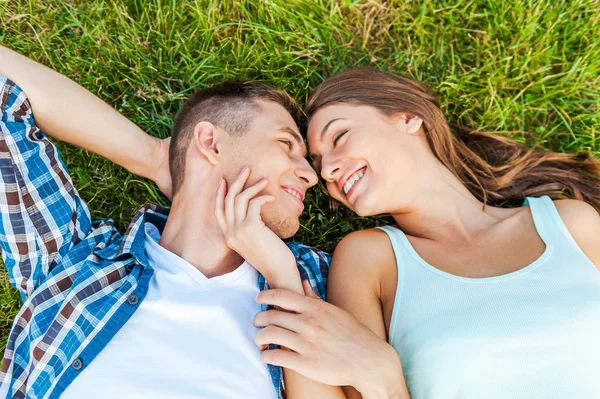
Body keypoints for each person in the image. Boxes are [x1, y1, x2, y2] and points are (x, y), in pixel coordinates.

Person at [0, 47, 400, 398]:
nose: (313, 177)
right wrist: (156, 156)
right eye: (286, 144)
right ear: (211, 142)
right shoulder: (73, 263)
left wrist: (284, 276)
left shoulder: (329, 282)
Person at [252, 67, 600, 399]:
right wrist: (383, 381)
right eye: (318, 165)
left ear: (408, 117)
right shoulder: (370, 259)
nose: (327, 170)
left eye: (339, 136)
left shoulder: (569, 224)